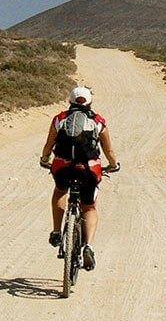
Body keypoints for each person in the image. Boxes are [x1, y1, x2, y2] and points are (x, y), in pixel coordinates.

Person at [39, 86, 119, 271]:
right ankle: (88, 246)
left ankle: (57, 231)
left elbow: (49, 144)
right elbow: (109, 151)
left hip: (63, 167)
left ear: (70, 101)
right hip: (89, 169)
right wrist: (113, 165)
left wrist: (44, 159)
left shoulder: (60, 118)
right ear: (90, 102)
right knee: (89, 206)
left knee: (60, 191)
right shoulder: (98, 121)